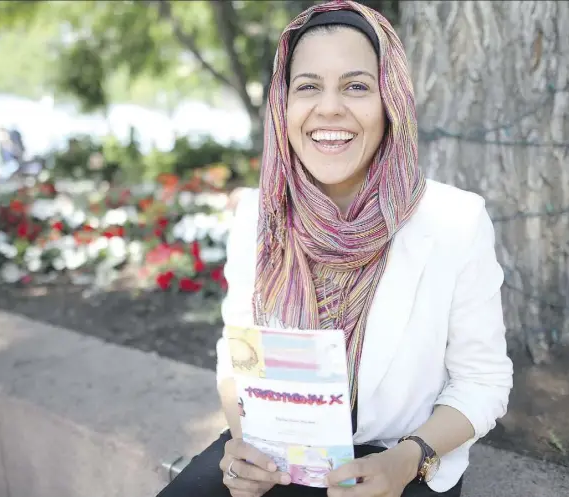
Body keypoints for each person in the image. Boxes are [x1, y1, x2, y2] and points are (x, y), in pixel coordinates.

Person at [157, 2, 513, 496]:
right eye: (307, 86)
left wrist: (408, 459)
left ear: (391, 101)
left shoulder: (455, 221)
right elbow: (237, 356)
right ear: (283, 104)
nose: (329, 108)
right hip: (277, 451)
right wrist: (244, 450)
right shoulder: (259, 216)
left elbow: (484, 381)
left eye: (357, 86)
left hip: (397, 458)